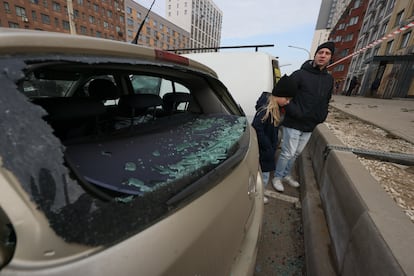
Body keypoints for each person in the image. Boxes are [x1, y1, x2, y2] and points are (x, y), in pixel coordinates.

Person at [272, 41, 335, 192]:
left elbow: (326, 99)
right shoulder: (300, 74)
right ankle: (278, 177)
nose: (323, 56)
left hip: (310, 124)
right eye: (320, 52)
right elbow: (281, 92)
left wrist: (322, 116)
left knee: (297, 153)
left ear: (330, 58)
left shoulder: (329, 79)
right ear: (315, 55)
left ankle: (286, 175)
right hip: (294, 122)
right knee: (288, 153)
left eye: (327, 53)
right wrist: (294, 110)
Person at [252, 75, 298, 203]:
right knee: (263, 176)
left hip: (267, 149)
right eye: (287, 98)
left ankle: (258, 193)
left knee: (262, 175)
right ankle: (257, 197)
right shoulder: (266, 110)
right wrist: (267, 145)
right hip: (264, 151)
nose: (288, 102)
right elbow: (256, 127)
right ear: (278, 95)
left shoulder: (275, 109)